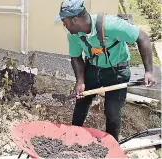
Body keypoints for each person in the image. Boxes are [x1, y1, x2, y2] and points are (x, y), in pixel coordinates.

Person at [54, 0, 155, 141]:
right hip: (93, 68)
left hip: (117, 72)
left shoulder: (111, 25)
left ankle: (111, 146)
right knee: (81, 102)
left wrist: (148, 71)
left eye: (65, 21)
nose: (64, 25)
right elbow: (76, 57)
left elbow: (142, 37)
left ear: (75, 19)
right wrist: (80, 81)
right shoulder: (73, 34)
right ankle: (72, 137)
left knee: (112, 112)